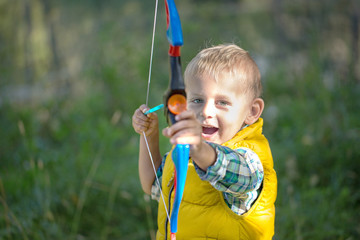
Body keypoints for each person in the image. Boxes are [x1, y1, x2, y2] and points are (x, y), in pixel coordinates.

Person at [132, 44, 277, 239]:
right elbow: (151, 184)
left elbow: (236, 174)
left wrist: (199, 149)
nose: (206, 112)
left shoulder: (249, 159)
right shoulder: (185, 152)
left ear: (252, 111)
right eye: (197, 100)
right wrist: (149, 136)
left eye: (222, 103)